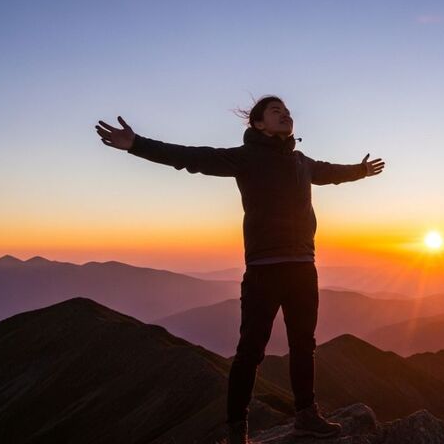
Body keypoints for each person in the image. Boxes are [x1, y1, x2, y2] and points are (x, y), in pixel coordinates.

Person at [95, 96, 385, 443]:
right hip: (264, 270)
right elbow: (191, 157)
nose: (286, 115)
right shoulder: (245, 157)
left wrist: (361, 170)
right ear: (258, 123)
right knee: (251, 351)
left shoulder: (300, 162)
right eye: (276, 111)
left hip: (303, 267)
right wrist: (136, 145)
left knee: (303, 346)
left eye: (288, 111)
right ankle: (237, 430)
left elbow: (331, 172)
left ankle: (306, 415)